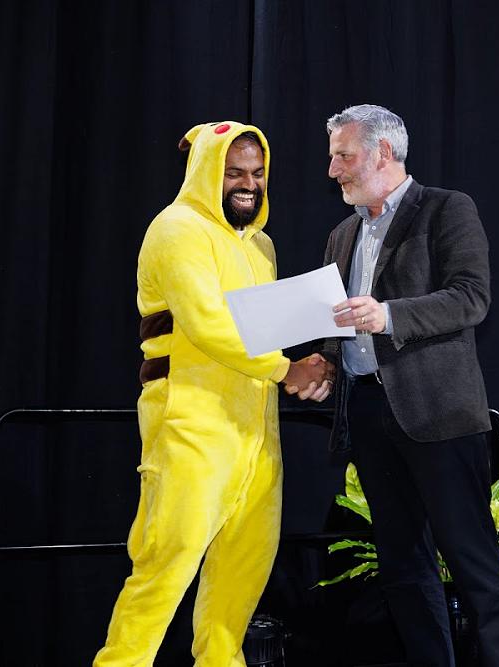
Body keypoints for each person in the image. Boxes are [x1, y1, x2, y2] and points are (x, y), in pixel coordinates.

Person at [95, 121, 332, 666]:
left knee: (244, 570)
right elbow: (207, 324)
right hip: (190, 422)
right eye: (234, 172)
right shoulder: (177, 228)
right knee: (165, 564)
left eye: (257, 173)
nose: (248, 184)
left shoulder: (262, 246)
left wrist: (315, 361)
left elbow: (267, 329)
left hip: (258, 433)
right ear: (206, 172)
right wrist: (288, 369)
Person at [315, 104, 499, 666]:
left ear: (383, 153)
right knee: (402, 564)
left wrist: (388, 315)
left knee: (473, 560)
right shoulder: (341, 235)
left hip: (439, 415)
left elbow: (471, 298)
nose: (333, 169)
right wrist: (325, 363)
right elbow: (339, 321)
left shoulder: (446, 208)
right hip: (368, 413)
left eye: (344, 156)